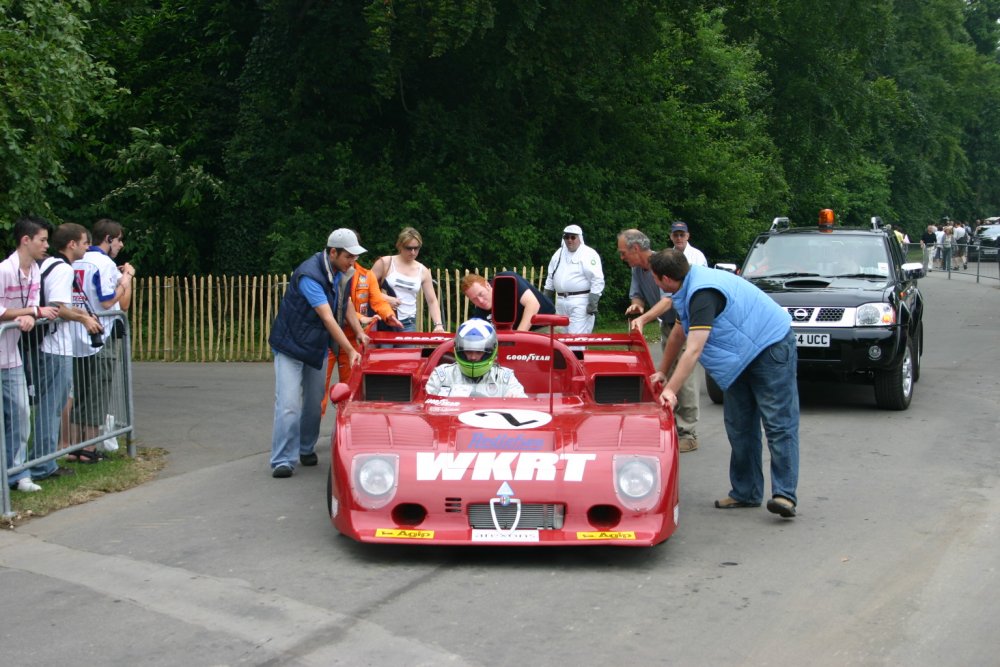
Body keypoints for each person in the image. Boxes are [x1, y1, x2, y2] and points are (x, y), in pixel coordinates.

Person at [648, 249, 799, 518]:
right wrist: (661, 371)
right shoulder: (685, 289)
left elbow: (693, 350)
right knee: (739, 426)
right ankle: (746, 492)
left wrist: (671, 390)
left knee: (778, 423)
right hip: (739, 356)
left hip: (770, 347)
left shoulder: (702, 293)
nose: (654, 282)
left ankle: (784, 495)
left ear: (666, 279)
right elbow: (679, 333)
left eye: (655, 278)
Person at [268, 229, 370, 479]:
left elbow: (345, 304)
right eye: (348, 256)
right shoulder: (309, 275)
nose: (353, 262)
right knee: (289, 404)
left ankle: (305, 448)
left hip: (316, 346)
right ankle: (283, 459)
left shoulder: (342, 272)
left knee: (315, 403)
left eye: (355, 257)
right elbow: (327, 316)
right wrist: (348, 348)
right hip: (290, 345)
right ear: (333, 252)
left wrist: (359, 333)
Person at [617, 228, 701, 453]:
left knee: (683, 374)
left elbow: (668, 301)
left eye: (624, 252)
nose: (621, 257)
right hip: (668, 325)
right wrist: (638, 305)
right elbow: (637, 294)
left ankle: (688, 432)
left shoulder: (662, 264)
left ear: (636, 249)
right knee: (669, 371)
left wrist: (643, 319)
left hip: (684, 322)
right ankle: (671, 425)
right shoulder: (637, 269)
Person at [29, 223, 103, 480]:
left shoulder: (48, 265)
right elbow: (58, 308)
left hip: (48, 346)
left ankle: (43, 461)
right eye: (84, 243)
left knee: (51, 405)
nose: (86, 247)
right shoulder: (62, 270)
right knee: (52, 406)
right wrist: (83, 319)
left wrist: (80, 313)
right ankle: (43, 465)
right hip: (55, 347)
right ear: (72, 244)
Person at [2, 216, 59, 492]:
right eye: (42, 240)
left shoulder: (35, 270)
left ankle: (18, 473)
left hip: (11, 356)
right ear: (26, 240)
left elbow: (34, 306)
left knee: (22, 413)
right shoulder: (3, 271)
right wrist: (30, 313)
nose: (46, 245)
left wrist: (30, 316)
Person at [70, 218, 135, 462]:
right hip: (101, 334)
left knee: (83, 391)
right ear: (108, 239)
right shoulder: (104, 263)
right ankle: (90, 448)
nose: (120, 245)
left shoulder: (79, 261)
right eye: (118, 240)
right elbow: (109, 301)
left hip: (78, 335)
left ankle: (76, 446)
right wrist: (125, 281)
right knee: (99, 390)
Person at [320, 232, 403, 415]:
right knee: (319, 391)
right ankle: (309, 439)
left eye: (355, 253)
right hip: (327, 338)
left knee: (352, 390)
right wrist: (359, 317)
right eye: (349, 254)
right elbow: (335, 307)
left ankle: (348, 431)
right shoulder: (326, 275)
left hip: (353, 340)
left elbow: (377, 300)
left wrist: (388, 315)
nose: (353, 258)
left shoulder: (367, 275)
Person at [425, 319, 526, 398]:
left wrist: (512, 404)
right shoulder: (442, 375)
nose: (473, 357)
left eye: (479, 352)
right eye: (468, 351)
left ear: (491, 351)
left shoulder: (505, 378)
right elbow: (425, 409)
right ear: (459, 349)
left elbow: (524, 409)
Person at [371, 227, 446, 334]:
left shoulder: (423, 271)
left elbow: (432, 300)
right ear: (400, 246)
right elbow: (365, 288)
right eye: (409, 248)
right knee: (384, 351)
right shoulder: (385, 263)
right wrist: (385, 298)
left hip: (408, 322)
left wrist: (438, 325)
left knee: (407, 351)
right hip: (384, 319)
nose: (413, 252)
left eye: (416, 248)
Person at [542, 224, 605, 335]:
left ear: (579, 238)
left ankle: (577, 353)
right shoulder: (558, 254)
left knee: (576, 337)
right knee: (561, 337)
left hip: (580, 301)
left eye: (573, 237)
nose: (569, 240)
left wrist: (593, 301)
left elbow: (597, 279)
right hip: (561, 301)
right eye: (566, 237)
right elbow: (551, 276)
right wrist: (545, 298)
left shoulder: (588, 254)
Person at [461, 271, 555, 331]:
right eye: (474, 299)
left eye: (481, 294)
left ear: (487, 285)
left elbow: (533, 304)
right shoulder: (480, 312)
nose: (480, 301)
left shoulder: (506, 282)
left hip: (545, 327)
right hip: (517, 336)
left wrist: (519, 337)